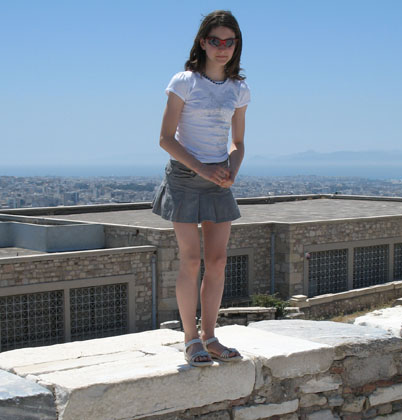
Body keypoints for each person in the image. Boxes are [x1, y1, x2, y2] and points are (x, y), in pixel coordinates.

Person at [151, 10, 250, 367]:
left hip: (217, 179)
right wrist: (204, 169)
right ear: (202, 42)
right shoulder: (184, 82)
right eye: (215, 41)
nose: (222, 48)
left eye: (229, 42)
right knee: (192, 259)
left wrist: (230, 170)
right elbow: (165, 138)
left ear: (236, 45)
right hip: (185, 177)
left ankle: (211, 337)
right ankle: (190, 340)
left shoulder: (239, 90)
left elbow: (238, 142)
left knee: (219, 261)